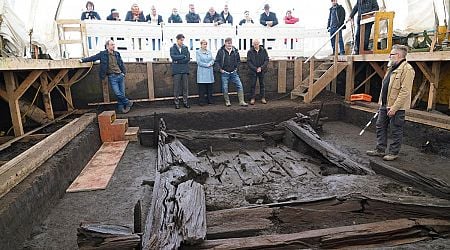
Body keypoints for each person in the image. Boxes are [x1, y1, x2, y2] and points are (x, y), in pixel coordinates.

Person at [366, 45, 415, 161]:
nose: (389, 56)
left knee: (396, 129)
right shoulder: (392, 68)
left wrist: (394, 107)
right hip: (385, 104)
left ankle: (393, 152)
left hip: (396, 107)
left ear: (398, 55)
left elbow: (405, 91)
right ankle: (380, 149)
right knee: (380, 126)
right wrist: (382, 103)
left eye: (391, 54)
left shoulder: (407, 69)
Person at [80, 40, 133, 114]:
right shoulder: (103, 54)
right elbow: (93, 58)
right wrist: (82, 60)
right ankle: (128, 102)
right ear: (107, 46)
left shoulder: (117, 54)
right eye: (112, 44)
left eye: (114, 44)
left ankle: (121, 109)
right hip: (112, 77)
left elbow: (121, 63)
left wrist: (124, 73)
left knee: (122, 93)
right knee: (117, 93)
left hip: (120, 75)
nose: (114, 46)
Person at [215, 37, 248, 107]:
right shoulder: (221, 51)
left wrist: (237, 68)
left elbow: (238, 61)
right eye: (228, 43)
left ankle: (241, 101)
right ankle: (227, 101)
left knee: (240, 85)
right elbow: (217, 61)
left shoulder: (235, 51)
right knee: (225, 87)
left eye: (230, 43)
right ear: (225, 43)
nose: (229, 45)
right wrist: (220, 69)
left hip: (234, 72)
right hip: (224, 73)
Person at [170, 34, 191, 109]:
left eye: (183, 40)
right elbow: (173, 57)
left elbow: (188, 58)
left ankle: (185, 102)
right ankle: (176, 103)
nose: (182, 42)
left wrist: (178, 61)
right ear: (177, 40)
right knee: (176, 87)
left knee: (185, 87)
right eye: (181, 40)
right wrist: (183, 56)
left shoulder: (185, 48)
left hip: (185, 70)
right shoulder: (172, 48)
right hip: (176, 71)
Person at [247, 39, 269, 105]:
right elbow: (249, 62)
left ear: (259, 44)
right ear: (252, 44)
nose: (256, 45)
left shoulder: (264, 50)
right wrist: (255, 68)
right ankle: (252, 98)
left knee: (262, 84)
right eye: (254, 44)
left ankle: (263, 98)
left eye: (257, 44)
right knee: (252, 85)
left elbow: (266, 60)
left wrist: (261, 68)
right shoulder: (250, 52)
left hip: (262, 70)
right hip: (253, 71)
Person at [196, 39, 215, 105]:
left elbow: (212, 59)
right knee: (202, 88)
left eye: (206, 44)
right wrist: (207, 65)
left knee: (209, 87)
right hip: (202, 72)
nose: (205, 45)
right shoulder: (198, 52)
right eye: (204, 44)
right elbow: (198, 62)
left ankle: (210, 100)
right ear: (201, 45)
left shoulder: (209, 51)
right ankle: (201, 101)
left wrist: (211, 63)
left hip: (209, 72)